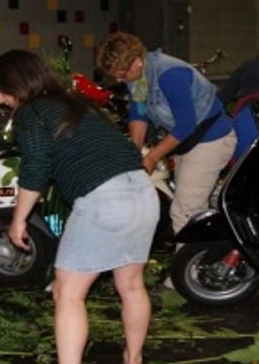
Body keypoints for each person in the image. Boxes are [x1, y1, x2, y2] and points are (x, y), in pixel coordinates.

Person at [0, 49, 159, 364]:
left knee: (68, 292)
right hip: (143, 193)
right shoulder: (75, 104)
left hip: (104, 200)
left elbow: (36, 167)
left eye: (0, 90)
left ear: (16, 84)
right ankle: (134, 363)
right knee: (131, 284)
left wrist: (18, 221)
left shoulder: (30, 112)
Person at [95, 32, 237, 234]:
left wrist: (152, 157)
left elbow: (186, 125)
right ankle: (202, 256)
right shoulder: (138, 76)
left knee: (186, 211)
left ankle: (191, 264)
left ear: (137, 61)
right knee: (188, 203)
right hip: (188, 143)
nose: (118, 78)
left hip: (210, 140)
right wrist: (134, 149)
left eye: (122, 73)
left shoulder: (170, 75)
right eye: (114, 74)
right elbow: (139, 112)